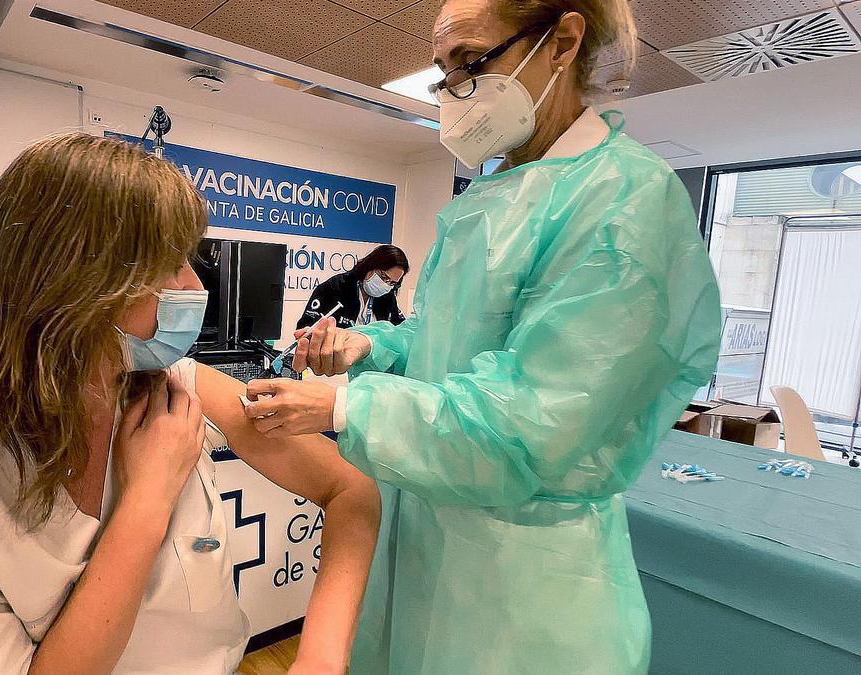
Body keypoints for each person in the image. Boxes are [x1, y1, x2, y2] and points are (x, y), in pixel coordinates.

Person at [242, 1, 721, 673]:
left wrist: (342, 406)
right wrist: (372, 349)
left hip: (521, 589)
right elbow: (451, 348)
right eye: (443, 74)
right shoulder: (489, 201)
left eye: (469, 64)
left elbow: (531, 422)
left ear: (562, 42)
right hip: (429, 550)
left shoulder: (624, 203)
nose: (455, 94)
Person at [0, 134, 380, 675]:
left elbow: (350, 491)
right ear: (77, 282)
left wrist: (320, 659)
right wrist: (148, 497)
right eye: (169, 266)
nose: (193, 285)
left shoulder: (173, 386)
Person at [296, 245, 408, 330]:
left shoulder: (388, 297)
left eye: (392, 283)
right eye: (384, 277)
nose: (386, 285)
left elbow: (400, 330)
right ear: (371, 265)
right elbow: (306, 328)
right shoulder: (334, 288)